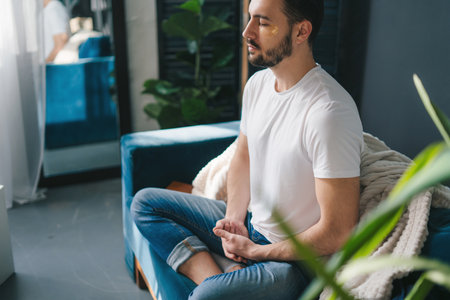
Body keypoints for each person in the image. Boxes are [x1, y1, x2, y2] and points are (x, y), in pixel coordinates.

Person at [131, 0, 363, 298]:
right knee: (145, 204)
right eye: (250, 18)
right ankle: (225, 273)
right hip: (251, 227)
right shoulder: (258, 85)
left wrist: (258, 251)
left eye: (263, 23)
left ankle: (222, 281)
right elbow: (244, 156)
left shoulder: (328, 112)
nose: (247, 32)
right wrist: (234, 219)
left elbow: (338, 231)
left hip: (295, 261)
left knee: (205, 297)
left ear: (301, 31)